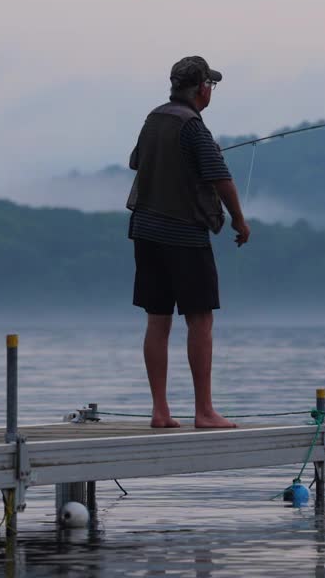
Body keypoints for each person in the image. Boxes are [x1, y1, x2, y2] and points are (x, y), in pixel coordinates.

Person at [126, 55, 250, 429]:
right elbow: (222, 180)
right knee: (200, 320)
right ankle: (204, 411)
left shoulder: (154, 118)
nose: (210, 90)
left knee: (157, 320)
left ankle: (160, 412)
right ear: (200, 88)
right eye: (210, 85)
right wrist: (240, 222)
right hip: (184, 234)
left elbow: (137, 162)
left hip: (146, 231)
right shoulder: (194, 127)